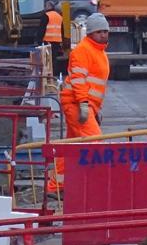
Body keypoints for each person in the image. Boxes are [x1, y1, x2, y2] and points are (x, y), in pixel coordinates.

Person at [47, 13, 110, 195]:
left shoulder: (99, 52)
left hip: (85, 105)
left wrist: (95, 109)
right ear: (90, 33)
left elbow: (95, 86)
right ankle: (97, 185)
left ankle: (56, 185)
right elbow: (79, 81)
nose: (104, 35)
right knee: (94, 141)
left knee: (71, 146)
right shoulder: (82, 51)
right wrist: (83, 104)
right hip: (76, 104)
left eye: (106, 31)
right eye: (99, 32)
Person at [42, 0, 65, 78]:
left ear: (48, 7)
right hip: (57, 41)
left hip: (47, 40)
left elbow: (42, 29)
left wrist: (38, 40)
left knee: (47, 58)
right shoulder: (59, 16)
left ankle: (48, 74)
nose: (44, 8)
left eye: (45, 6)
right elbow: (62, 30)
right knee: (54, 58)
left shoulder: (46, 15)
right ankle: (54, 73)